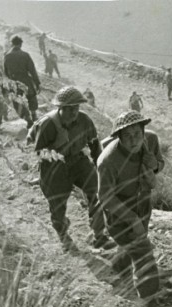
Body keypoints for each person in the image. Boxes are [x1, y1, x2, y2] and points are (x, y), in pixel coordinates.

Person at [26, 86, 115, 253]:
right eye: (69, 109)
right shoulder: (48, 124)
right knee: (57, 204)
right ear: (61, 108)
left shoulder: (85, 121)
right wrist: (54, 157)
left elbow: (94, 145)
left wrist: (100, 167)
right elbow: (39, 151)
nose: (74, 112)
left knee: (97, 193)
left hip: (79, 162)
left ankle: (99, 236)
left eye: (76, 107)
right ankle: (63, 234)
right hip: (54, 167)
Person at [97, 110, 165, 298]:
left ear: (143, 131)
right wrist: (132, 219)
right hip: (119, 211)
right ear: (118, 137)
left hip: (142, 202)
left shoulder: (150, 140)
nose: (134, 140)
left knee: (133, 243)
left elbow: (160, 163)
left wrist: (155, 166)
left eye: (137, 134)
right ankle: (148, 297)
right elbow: (105, 197)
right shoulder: (108, 161)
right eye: (127, 136)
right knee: (143, 250)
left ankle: (120, 266)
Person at [4, 35, 41, 129]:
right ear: (20, 44)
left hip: (14, 82)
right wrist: (37, 83)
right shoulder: (25, 55)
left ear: (12, 44)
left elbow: (5, 72)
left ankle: (27, 119)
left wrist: (11, 81)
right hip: (25, 80)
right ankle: (34, 116)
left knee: (17, 100)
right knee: (31, 97)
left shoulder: (7, 56)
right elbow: (32, 70)